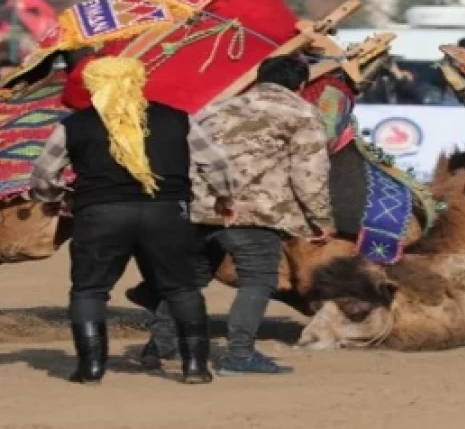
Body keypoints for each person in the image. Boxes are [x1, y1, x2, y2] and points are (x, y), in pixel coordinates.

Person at [29, 56, 236, 385]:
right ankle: (195, 367)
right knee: (182, 289)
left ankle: (91, 369)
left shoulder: (73, 125)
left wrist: (54, 197)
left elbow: (42, 175)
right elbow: (217, 164)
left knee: (90, 290)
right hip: (166, 212)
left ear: (93, 85)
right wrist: (225, 197)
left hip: (99, 214)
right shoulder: (178, 119)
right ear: (138, 81)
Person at [135, 55, 333, 376]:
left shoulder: (216, 109)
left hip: (199, 211)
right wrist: (320, 218)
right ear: (300, 85)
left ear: (258, 78)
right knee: (258, 280)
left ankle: (159, 345)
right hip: (254, 212)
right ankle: (240, 355)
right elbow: (309, 172)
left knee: (189, 281)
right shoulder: (301, 114)